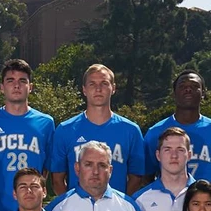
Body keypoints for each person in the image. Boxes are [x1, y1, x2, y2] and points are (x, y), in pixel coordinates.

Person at [0, 58, 56, 211]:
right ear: (2, 87)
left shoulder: (46, 123)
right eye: (10, 80)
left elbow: (45, 169)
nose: (16, 85)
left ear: (30, 87)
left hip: (33, 210)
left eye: (22, 81)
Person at [51, 65, 148, 195]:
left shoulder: (131, 131)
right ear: (84, 90)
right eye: (92, 84)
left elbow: (136, 177)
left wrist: (123, 205)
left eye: (104, 83)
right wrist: (69, 206)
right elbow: (57, 179)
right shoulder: (65, 130)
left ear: (113, 88)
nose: (98, 89)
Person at [142, 71, 211, 188]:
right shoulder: (155, 132)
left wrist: (202, 192)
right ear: (174, 93)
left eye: (194, 86)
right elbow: (146, 176)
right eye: (182, 86)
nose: (188, 90)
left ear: (203, 93)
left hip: (203, 203)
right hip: (167, 202)